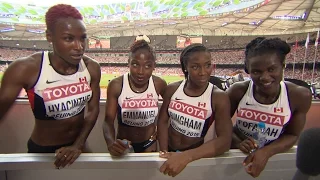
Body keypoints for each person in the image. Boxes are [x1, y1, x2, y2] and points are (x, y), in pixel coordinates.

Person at [0, 4, 101, 169]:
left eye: (82, 37)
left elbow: (93, 110)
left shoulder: (91, 67)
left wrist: (78, 144)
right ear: (49, 37)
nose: (79, 46)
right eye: (69, 38)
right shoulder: (25, 69)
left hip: (78, 148)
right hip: (42, 152)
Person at [227, 37, 312, 178]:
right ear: (248, 70)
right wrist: (237, 140)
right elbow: (222, 123)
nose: (265, 77)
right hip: (236, 153)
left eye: (272, 69)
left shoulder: (299, 96)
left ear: (283, 65)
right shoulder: (237, 91)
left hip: (274, 157)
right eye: (256, 71)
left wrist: (266, 152)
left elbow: (293, 135)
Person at [157, 43, 232, 177]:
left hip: (197, 154)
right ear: (186, 67)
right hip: (169, 149)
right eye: (195, 67)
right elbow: (162, 121)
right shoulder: (172, 89)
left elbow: (225, 141)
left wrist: (187, 156)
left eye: (207, 65)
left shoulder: (218, 97)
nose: (203, 72)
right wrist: (164, 151)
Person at [103, 37, 167, 156]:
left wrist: (162, 129)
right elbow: (108, 121)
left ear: (154, 66)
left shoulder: (159, 84)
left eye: (147, 66)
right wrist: (111, 143)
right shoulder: (117, 85)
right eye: (135, 64)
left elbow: (171, 110)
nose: (141, 71)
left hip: (150, 143)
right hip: (124, 144)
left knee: (148, 174)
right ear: (128, 63)